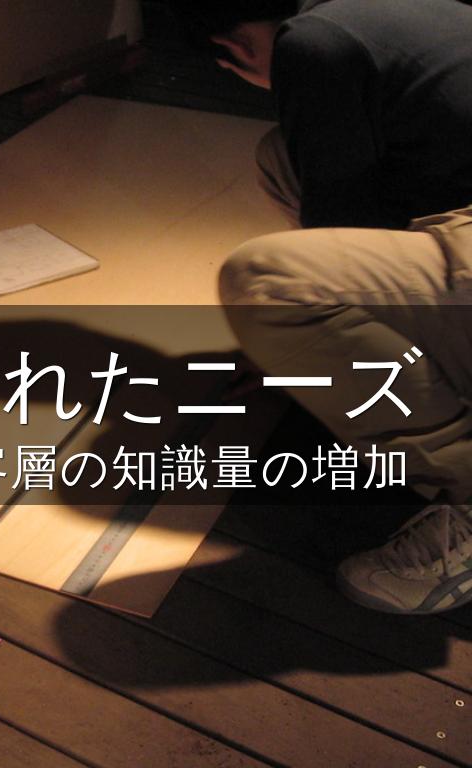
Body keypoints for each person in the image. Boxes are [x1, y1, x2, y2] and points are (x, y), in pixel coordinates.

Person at [171, 0, 472, 613]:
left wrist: (295, 344)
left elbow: (337, 223)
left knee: (267, 281)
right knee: (283, 158)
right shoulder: (368, 13)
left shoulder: (309, 46)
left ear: (233, 51)